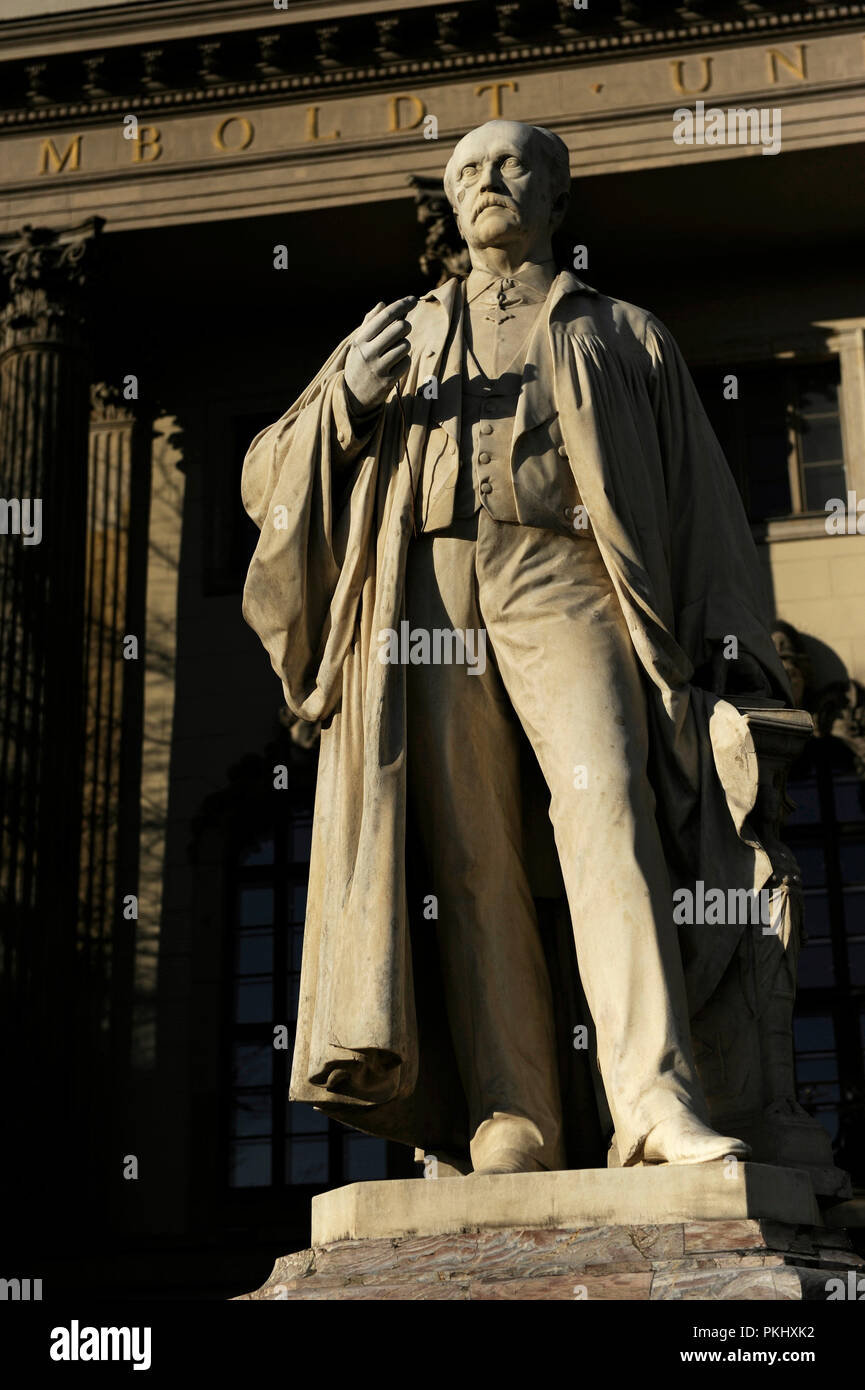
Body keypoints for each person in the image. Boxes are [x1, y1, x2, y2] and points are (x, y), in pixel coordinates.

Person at [241, 120, 790, 1176]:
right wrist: (349, 400)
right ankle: (513, 1110)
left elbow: (702, 505)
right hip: (432, 592)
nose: (489, 182)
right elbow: (266, 476)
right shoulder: (393, 329)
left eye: (511, 166)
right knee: (469, 854)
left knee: (608, 816)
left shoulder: (621, 330)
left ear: (556, 197)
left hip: (567, 576)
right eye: (467, 173)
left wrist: (734, 648)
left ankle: (653, 1098)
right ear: (449, 208)